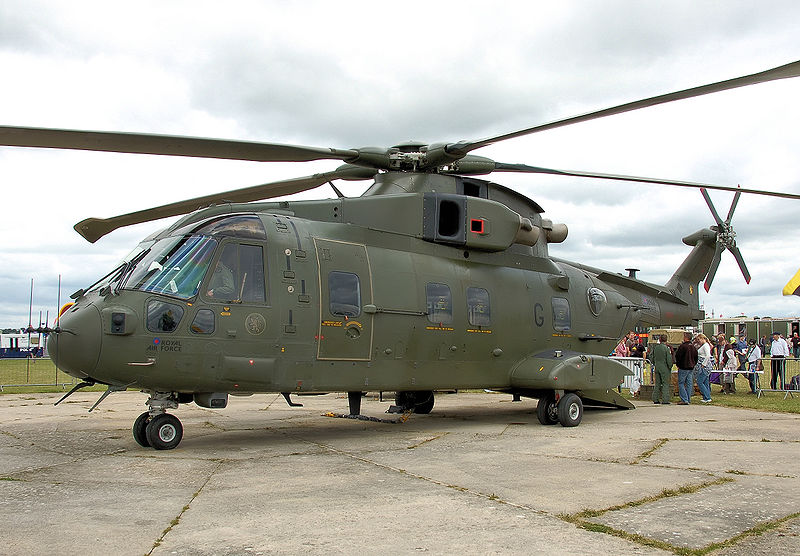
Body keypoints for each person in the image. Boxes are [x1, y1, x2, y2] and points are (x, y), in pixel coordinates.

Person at [648, 334, 674, 404]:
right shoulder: (666, 348)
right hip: (665, 367)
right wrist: (670, 366)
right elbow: (669, 359)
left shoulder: (656, 347)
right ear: (666, 340)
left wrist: (654, 363)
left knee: (657, 384)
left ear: (660, 339)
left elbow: (651, 356)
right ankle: (665, 399)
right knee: (665, 384)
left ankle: (655, 398)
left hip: (657, 367)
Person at [674, 332, 698, 404]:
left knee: (681, 383)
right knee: (689, 383)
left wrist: (678, 364)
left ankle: (684, 399)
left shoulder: (682, 346)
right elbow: (696, 357)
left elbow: (678, 356)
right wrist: (694, 364)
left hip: (683, 366)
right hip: (691, 367)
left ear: (685, 338)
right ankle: (688, 398)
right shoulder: (693, 347)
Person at [694, 333, 713, 403]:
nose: (698, 341)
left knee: (700, 382)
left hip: (704, 367)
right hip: (704, 366)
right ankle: (706, 397)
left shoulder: (706, 346)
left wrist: (703, 364)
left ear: (703, 338)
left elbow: (708, 355)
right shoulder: (704, 346)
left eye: (699, 339)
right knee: (705, 382)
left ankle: (707, 396)